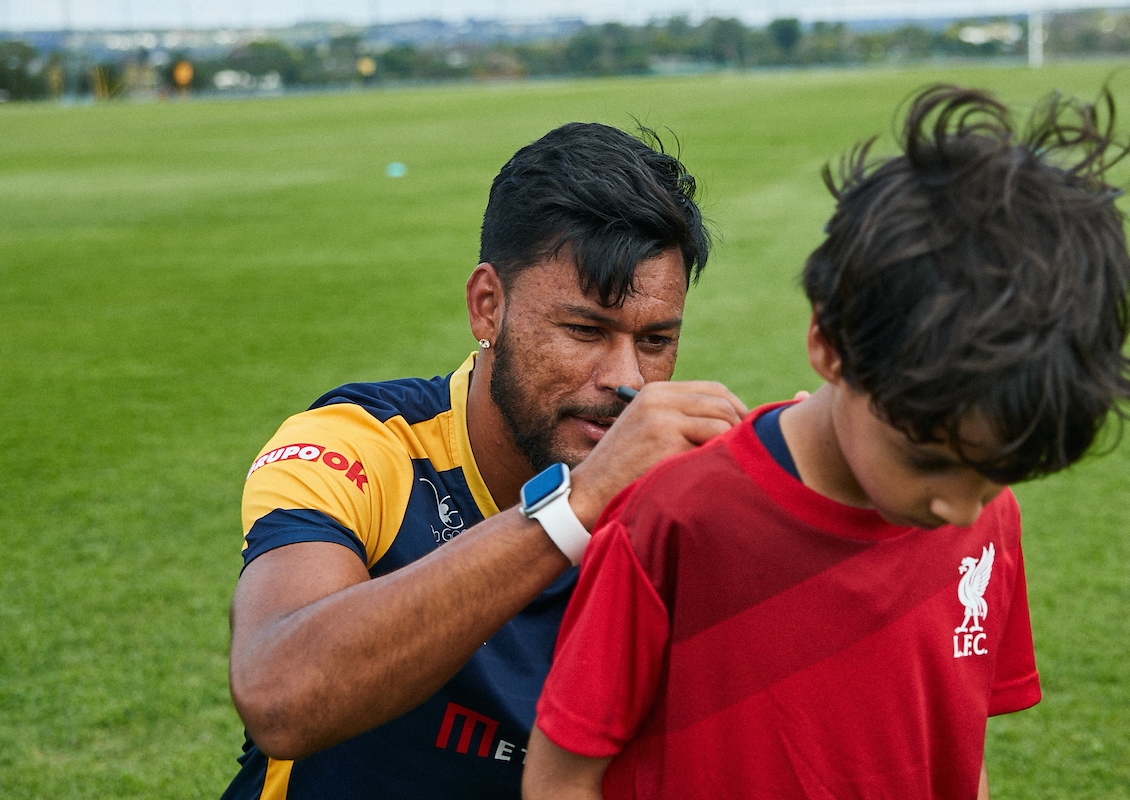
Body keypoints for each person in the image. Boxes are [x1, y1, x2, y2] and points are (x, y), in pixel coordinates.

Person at [523, 86, 1130, 800]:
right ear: (829, 345)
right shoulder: (673, 516)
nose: (962, 510)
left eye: (996, 474)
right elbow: (563, 776)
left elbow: (958, 751)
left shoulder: (990, 521)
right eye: (926, 459)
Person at [222, 122, 751, 799]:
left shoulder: (681, 494)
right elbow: (280, 695)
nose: (627, 381)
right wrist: (573, 504)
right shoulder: (358, 445)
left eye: (655, 340)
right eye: (585, 330)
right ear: (487, 305)